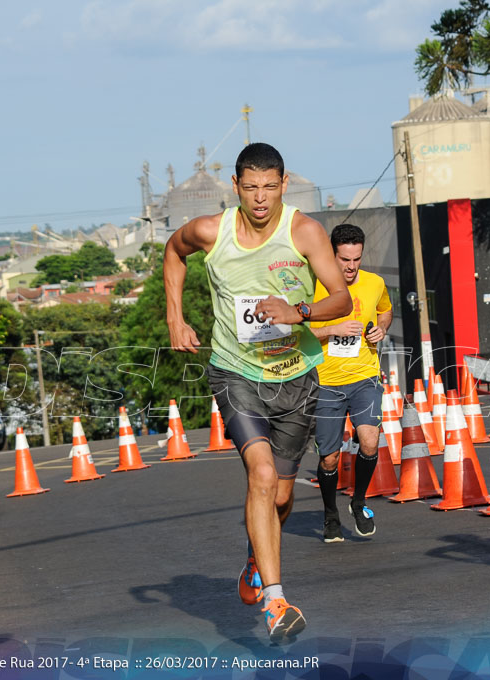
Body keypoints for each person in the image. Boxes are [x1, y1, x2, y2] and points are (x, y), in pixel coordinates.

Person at [165, 143, 351, 643]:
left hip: (297, 374)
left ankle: (255, 555)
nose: (261, 198)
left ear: (284, 184)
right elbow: (173, 251)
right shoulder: (211, 231)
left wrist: (300, 312)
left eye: (270, 187)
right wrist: (175, 316)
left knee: (282, 494)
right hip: (236, 372)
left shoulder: (305, 231)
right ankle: (276, 601)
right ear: (236, 186)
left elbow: (341, 296)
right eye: (251, 188)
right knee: (262, 475)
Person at [309, 224, 392, 542]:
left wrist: (381, 328)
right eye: (344, 259)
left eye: (356, 259)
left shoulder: (375, 283)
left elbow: (386, 311)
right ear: (332, 254)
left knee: (369, 440)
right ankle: (331, 514)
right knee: (329, 457)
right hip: (326, 382)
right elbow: (297, 332)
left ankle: (358, 503)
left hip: (365, 377)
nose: (351, 266)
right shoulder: (315, 286)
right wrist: (332, 329)